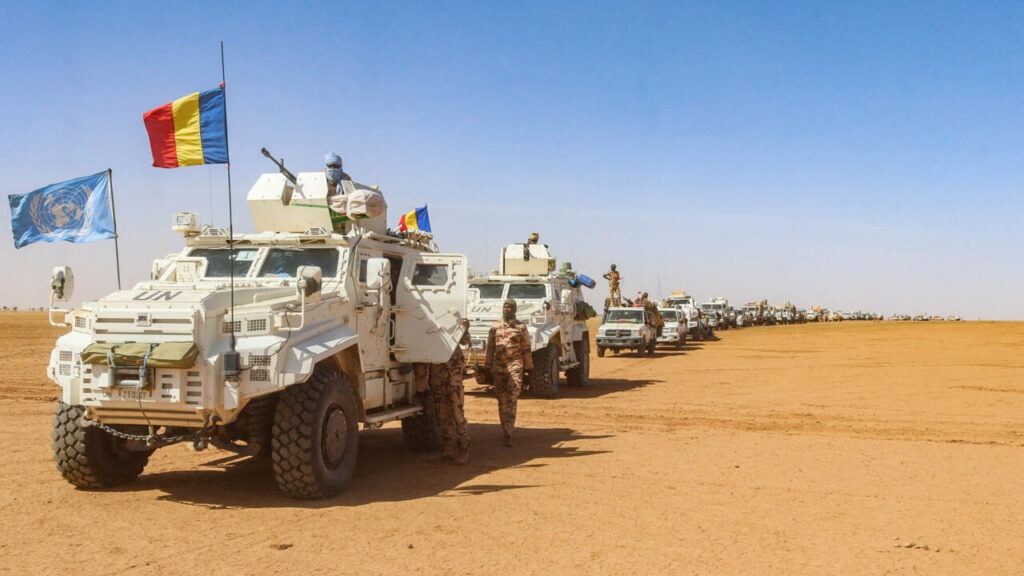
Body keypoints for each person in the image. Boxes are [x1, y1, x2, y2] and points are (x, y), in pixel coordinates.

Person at [484, 299, 532, 447]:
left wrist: (528, 369)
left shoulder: (521, 327)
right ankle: (504, 427)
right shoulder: (495, 327)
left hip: (515, 364)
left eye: (510, 307)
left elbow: (526, 348)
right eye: (505, 307)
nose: (507, 309)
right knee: (501, 399)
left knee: (512, 396)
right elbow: (490, 348)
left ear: (514, 309)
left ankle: (509, 432)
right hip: (499, 367)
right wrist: (487, 366)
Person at [430, 319, 471, 464]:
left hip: (454, 379)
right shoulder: (430, 332)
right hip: (438, 378)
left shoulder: (454, 326)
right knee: (442, 415)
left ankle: (463, 447)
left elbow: (466, 341)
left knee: (457, 413)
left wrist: (464, 329)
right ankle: (447, 447)